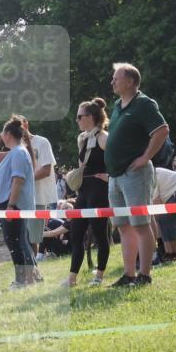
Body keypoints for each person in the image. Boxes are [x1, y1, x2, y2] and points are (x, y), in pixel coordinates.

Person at [104, 62, 170, 287]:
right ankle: (129, 274)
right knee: (123, 226)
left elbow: (162, 130)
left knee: (141, 224)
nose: (112, 82)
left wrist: (145, 157)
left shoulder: (144, 104)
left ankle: (145, 275)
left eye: (116, 78)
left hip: (136, 174)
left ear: (131, 82)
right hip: (116, 175)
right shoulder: (117, 105)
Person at [66, 98, 111, 287]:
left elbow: (118, 161)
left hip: (99, 190)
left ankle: (99, 275)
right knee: (76, 233)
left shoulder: (104, 137)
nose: (76, 120)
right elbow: (82, 165)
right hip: (84, 190)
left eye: (79, 116)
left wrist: (109, 176)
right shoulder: (82, 138)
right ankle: (72, 278)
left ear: (90, 117)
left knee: (100, 234)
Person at [0, 116, 36, 287]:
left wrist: (10, 205)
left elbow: (18, 180)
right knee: (16, 241)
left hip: (14, 205)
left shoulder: (18, 152)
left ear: (8, 134)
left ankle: (22, 280)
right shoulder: (14, 152)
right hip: (10, 204)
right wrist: (0, 136)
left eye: (3, 133)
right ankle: (28, 278)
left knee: (15, 242)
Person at [21, 117, 57, 263]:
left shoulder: (42, 142)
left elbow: (46, 170)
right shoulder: (17, 147)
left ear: (26, 125)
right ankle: (29, 266)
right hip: (21, 197)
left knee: (33, 237)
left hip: (38, 196)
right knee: (23, 237)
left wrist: (23, 181)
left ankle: (34, 268)